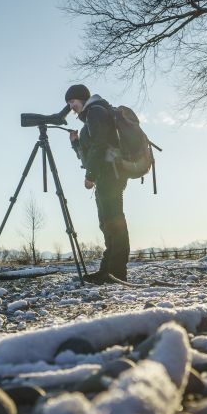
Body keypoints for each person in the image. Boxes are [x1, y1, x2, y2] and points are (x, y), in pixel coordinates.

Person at [65, 84, 130, 284]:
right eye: (69, 103)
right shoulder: (91, 118)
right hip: (106, 175)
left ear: (82, 99)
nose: (71, 107)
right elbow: (89, 152)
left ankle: (117, 272)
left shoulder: (96, 112)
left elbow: (100, 146)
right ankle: (107, 270)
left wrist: (90, 175)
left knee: (114, 221)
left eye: (72, 102)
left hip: (111, 173)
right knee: (107, 222)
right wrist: (76, 142)